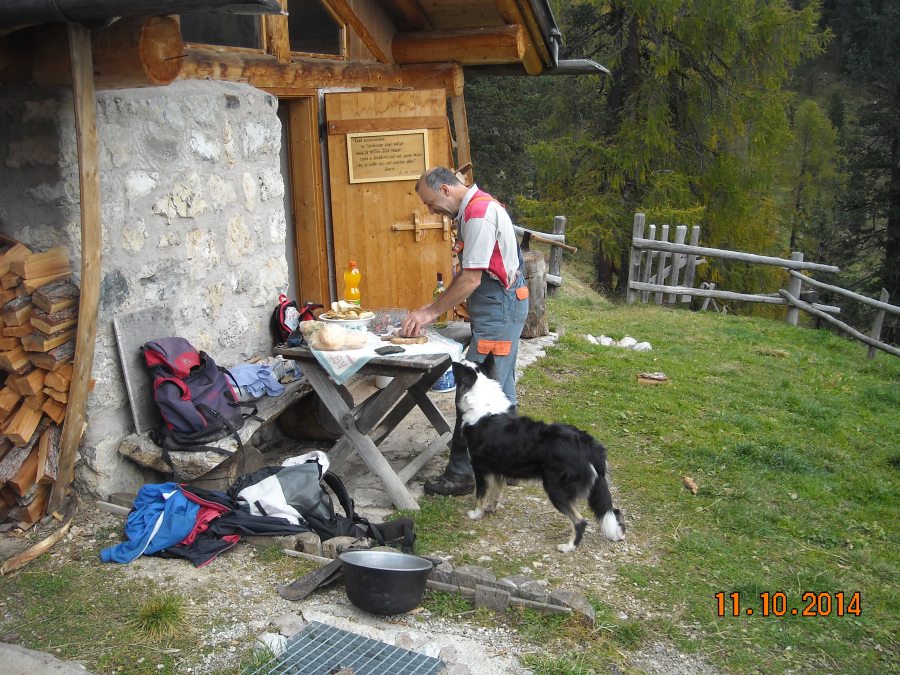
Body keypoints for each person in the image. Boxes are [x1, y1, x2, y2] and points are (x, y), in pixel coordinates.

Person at [401, 167, 529, 495]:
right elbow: (467, 273)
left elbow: (472, 279)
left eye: (430, 202)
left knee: (474, 390)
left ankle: (461, 474)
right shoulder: (474, 208)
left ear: (445, 189)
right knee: (500, 387)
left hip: (499, 309)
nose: (431, 211)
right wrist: (433, 306)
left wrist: (430, 312)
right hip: (501, 306)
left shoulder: (478, 214)